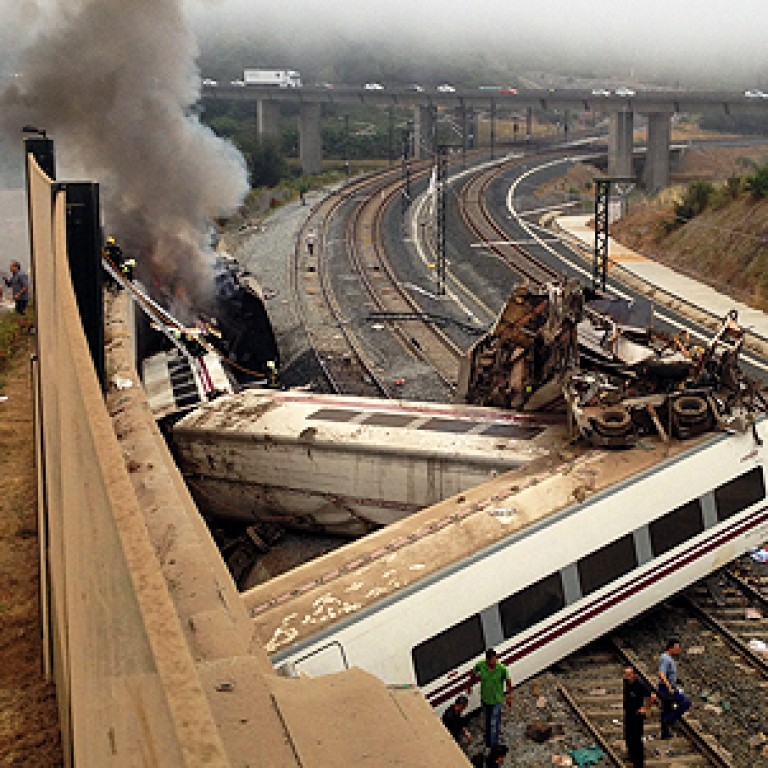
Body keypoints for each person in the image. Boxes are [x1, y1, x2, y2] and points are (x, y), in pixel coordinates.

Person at [468, 648, 513, 750]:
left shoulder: (502, 669)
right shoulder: (481, 665)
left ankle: (494, 745)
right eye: (492, 660)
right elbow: (473, 674)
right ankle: (488, 741)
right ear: (487, 660)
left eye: (495, 660)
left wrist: (510, 696)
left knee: (495, 722)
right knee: (487, 720)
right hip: (485, 699)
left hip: (497, 700)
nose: (494, 662)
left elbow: (508, 682)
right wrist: (469, 685)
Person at [657, 637, 692, 739]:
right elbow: (661, 674)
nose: (678, 650)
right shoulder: (665, 658)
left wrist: (676, 681)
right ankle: (669, 720)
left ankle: (665, 733)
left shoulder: (669, 659)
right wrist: (669, 686)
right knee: (685, 702)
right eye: (677, 648)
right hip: (667, 689)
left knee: (667, 708)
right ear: (671, 648)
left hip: (669, 686)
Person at [623, 666, 656, 767]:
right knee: (628, 736)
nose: (627, 677)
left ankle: (639, 762)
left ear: (634, 675)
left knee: (636, 738)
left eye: (629, 675)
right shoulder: (626, 683)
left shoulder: (640, 684)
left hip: (637, 715)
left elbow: (652, 696)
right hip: (628, 713)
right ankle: (631, 755)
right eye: (625, 674)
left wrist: (645, 708)